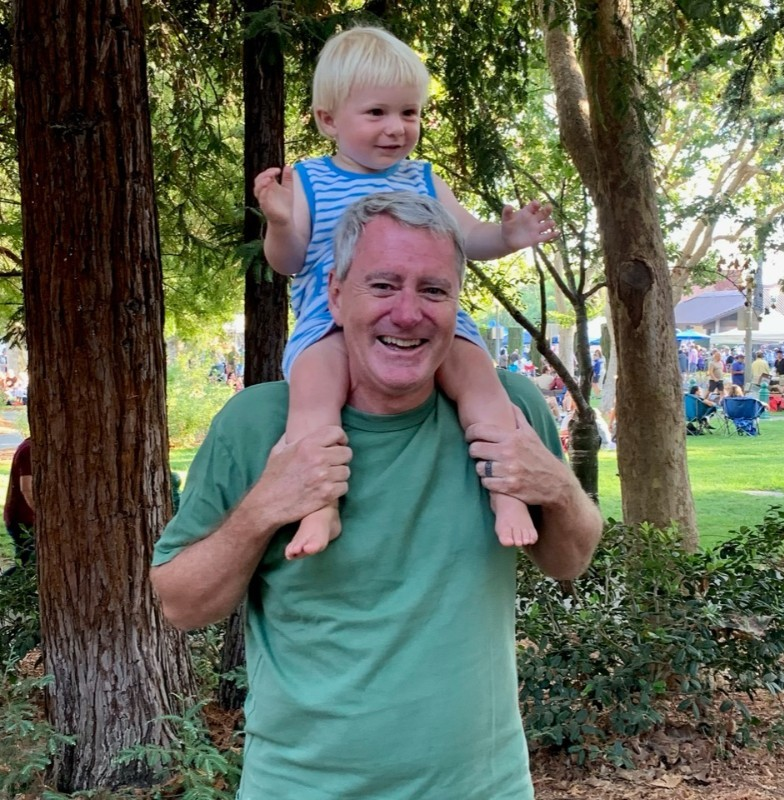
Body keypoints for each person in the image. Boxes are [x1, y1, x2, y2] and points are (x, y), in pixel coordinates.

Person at [150, 193, 602, 800]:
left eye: (434, 290)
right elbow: (181, 604)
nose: (408, 313)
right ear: (336, 295)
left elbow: (569, 560)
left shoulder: (510, 410)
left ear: (456, 304)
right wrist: (265, 506)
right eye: (384, 285)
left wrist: (558, 489)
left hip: (483, 787)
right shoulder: (257, 425)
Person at [254, 26, 558, 559]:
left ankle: (507, 492)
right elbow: (290, 261)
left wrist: (507, 237)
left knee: (483, 384)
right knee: (313, 399)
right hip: (329, 322)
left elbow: (468, 237)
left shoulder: (423, 180)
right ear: (328, 119)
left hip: (430, 319)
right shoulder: (309, 181)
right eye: (377, 113)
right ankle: (318, 503)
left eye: (409, 113)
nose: (396, 128)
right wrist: (280, 223)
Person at [3, 437, 34, 570]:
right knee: (27, 566)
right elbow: (26, 489)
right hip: (23, 520)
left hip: (27, 518)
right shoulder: (29, 449)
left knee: (28, 565)